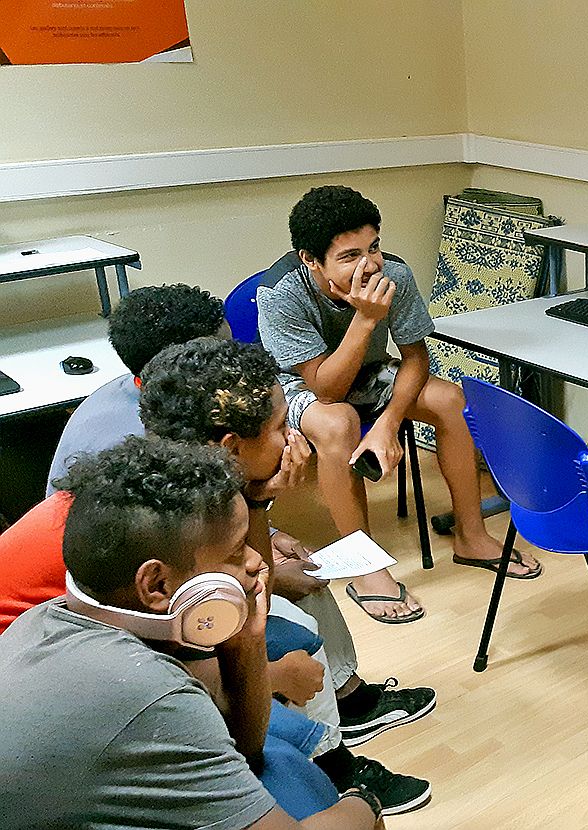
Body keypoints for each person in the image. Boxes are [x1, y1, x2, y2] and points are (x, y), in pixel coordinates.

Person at [39, 285, 433, 749]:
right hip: (80, 630)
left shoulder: (171, 426)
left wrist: (265, 516)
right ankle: (326, 749)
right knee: (288, 610)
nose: (291, 436)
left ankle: (346, 701)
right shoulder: (153, 470)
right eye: (280, 426)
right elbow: (200, 596)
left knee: (295, 579)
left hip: (122, 604)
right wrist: (272, 658)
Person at [0, 437, 383, 829]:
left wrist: (246, 639)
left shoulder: (48, 619)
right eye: (237, 551)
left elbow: (244, 745)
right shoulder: (148, 693)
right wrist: (364, 804)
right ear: (157, 585)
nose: (255, 561)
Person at [257, 184, 539, 624]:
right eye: (350, 256)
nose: (369, 265)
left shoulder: (395, 275)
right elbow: (325, 389)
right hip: (301, 385)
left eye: (373, 248)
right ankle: (365, 567)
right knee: (338, 423)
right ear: (310, 259)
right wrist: (366, 318)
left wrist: (389, 422)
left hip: (369, 374)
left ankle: (472, 534)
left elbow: (415, 358)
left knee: (449, 399)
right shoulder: (281, 292)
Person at [46, 283, 229, 494]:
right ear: (179, 366)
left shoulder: (132, 386)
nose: (235, 362)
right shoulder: (144, 448)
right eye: (221, 357)